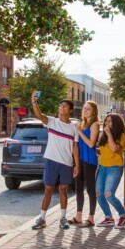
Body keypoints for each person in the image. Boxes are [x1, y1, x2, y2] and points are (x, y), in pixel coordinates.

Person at [30, 91, 79, 230]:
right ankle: (42, 219)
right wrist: (34, 102)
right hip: (51, 161)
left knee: (63, 190)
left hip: (66, 163)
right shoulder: (52, 121)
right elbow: (39, 115)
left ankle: (63, 218)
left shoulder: (74, 127)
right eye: (60, 105)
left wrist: (77, 165)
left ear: (70, 111)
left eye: (64, 106)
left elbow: (75, 147)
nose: (61, 107)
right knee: (48, 190)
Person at [68, 101, 100, 228]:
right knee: (79, 188)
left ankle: (91, 218)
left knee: (90, 189)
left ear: (93, 111)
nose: (85, 111)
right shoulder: (82, 124)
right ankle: (78, 216)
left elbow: (91, 144)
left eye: (88, 109)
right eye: (84, 109)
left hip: (90, 160)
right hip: (80, 160)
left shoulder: (94, 125)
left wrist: (79, 131)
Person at [95, 113, 125, 228]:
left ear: (116, 123)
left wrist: (109, 134)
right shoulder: (104, 135)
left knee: (109, 194)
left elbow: (114, 149)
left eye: (110, 121)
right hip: (102, 167)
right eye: (106, 121)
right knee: (99, 194)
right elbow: (103, 151)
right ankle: (108, 217)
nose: (107, 123)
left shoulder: (121, 136)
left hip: (114, 168)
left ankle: (123, 216)